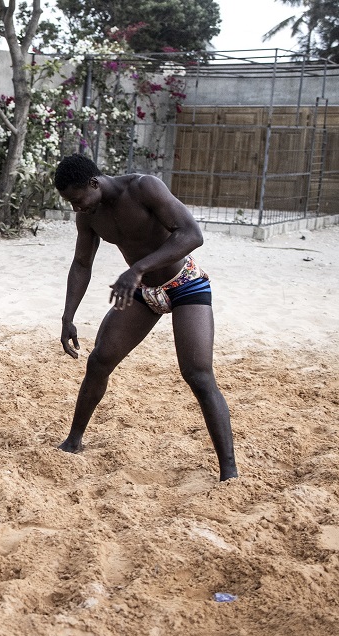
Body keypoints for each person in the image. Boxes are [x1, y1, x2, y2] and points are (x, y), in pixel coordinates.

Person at [53, 153, 238, 481]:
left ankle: (228, 471)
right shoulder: (89, 215)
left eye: (78, 200)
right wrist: (68, 316)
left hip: (184, 284)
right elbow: (82, 263)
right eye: (70, 203)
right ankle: (74, 440)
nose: (76, 208)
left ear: (94, 183)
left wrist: (138, 268)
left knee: (197, 374)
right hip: (141, 291)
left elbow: (192, 234)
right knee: (99, 361)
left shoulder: (143, 188)